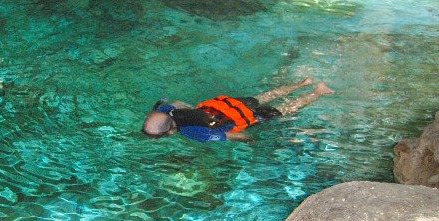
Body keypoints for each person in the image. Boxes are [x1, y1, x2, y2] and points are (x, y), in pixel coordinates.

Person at [142, 77, 334, 142]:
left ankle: (318, 91)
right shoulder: (167, 111)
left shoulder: (193, 133)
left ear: (171, 131)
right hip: (228, 104)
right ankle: (303, 83)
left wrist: (250, 140)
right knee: (266, 96)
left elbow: (233, 136)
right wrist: (193, 110)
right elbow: (179, 102)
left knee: (284, 109)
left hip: (241, 117)